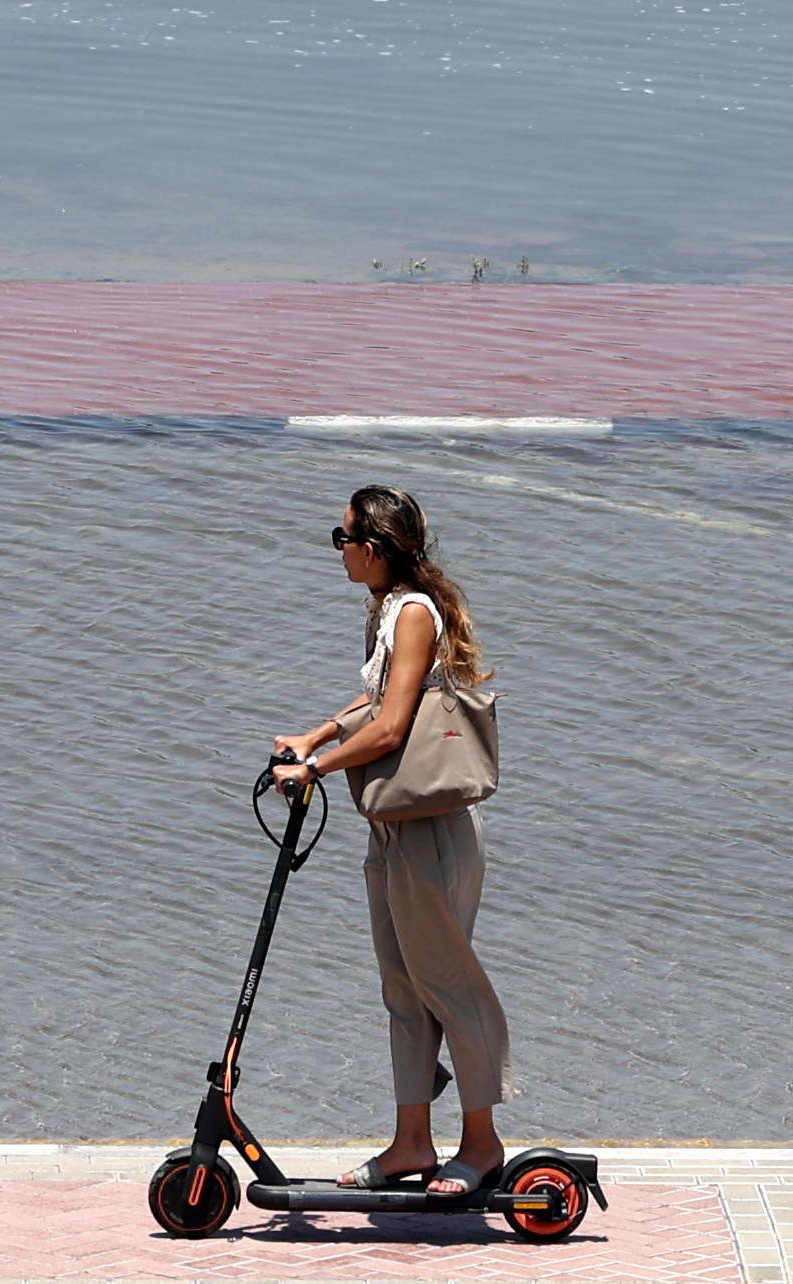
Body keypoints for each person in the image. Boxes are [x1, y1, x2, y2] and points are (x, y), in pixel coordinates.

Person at [267, 484, 511, 1194]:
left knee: (446, 985)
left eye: (341, 539)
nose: (337, 551)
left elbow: (393, 727)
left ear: (370, 550)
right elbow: (373, 703)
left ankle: (482, 1144)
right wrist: (316, 733)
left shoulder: (411, 614)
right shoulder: (383, 609)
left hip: (433, 830)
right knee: (403, 988)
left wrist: (315, 765)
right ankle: (411, 1144)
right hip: (393, 829)